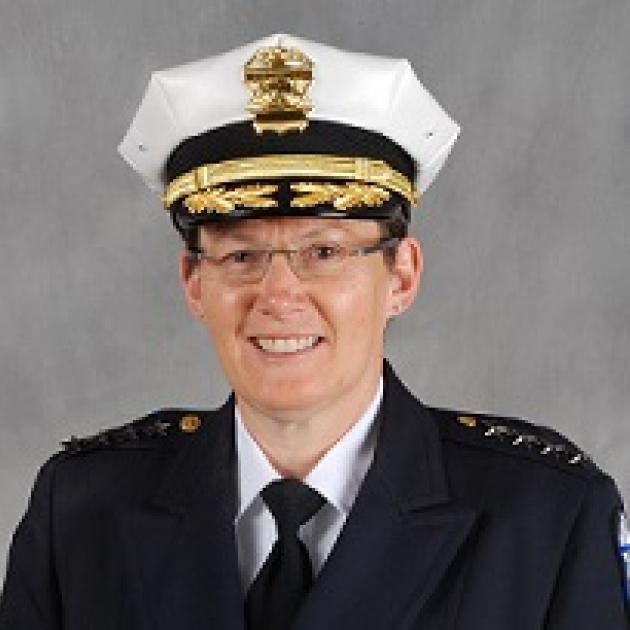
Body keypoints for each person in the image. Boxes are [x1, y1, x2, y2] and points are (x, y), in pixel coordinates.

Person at [0, 33, 627, 630]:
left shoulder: (547, 518)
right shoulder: (81, 514)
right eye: (240, 256)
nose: (278, 296)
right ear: (194, 282)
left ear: (401, 277)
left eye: (324, 252)